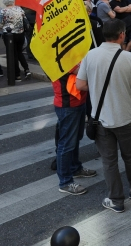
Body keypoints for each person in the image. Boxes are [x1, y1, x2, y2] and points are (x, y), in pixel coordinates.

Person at [76, 19, 131, 213]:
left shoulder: (90, 55)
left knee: (108, 161)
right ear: (121, 35)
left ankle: (116, 200)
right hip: (125, 116)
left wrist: (96, 86)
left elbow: (80, 85)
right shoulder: (129, 58)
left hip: (100, 118)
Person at [54, 65, 96, 195]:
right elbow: (82, 71)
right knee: (67, 143)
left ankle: (75, 168)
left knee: (75, 138)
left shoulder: (72, 54)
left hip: (77, 101)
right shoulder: (62, 57)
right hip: (68, 104)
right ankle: (65, 182)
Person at [0, 0, 31, 80]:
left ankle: (17, 75)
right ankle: (26, 70)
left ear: (5, 2)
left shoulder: (3, 11)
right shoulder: (19, 9)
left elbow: (1, 24)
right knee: (19, 52)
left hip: (9, 35)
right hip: (20, 34)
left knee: (12, 55)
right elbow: (24, 19)